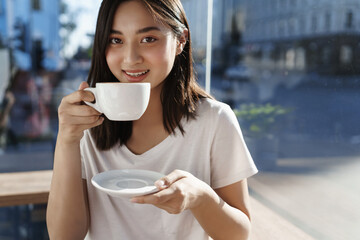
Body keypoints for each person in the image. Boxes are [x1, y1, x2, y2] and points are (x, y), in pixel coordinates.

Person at [46, 0, 258, 239]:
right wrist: (66, 140)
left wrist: (201, 197)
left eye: (148, 39)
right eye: (116, 40)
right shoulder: (86, 122)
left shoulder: (215, 120)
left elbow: (239, 234)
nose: (131, 58)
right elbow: (64, 236)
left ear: (181, 41)